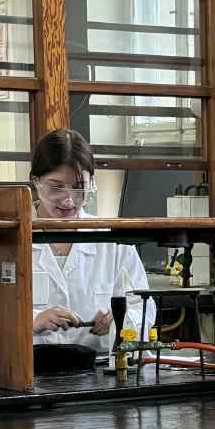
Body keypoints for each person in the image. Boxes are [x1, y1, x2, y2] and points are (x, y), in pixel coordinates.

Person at [29, 128, 152, 355]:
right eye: (56, 187)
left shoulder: (114, 241)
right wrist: (34, 321)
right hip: (30, 368)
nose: (68, 200)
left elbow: (144, 309)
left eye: (79, 187)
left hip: (100, 365)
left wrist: (120, 320)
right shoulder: (11, 240)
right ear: (36, 182)